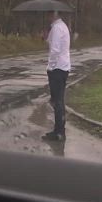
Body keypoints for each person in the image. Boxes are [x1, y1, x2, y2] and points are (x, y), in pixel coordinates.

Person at [42, 10, 71, 141]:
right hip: (63, 67)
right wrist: (46, 36)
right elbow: (51, 44)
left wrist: (51, 67)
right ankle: (59, 130)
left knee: (57, 101)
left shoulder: (57, 28)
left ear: (54, 14)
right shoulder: (61, 26)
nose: (47, 17)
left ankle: (59, 132)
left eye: (48, 14)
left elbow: (54, 50)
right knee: (58, 100)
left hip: (57, 68)